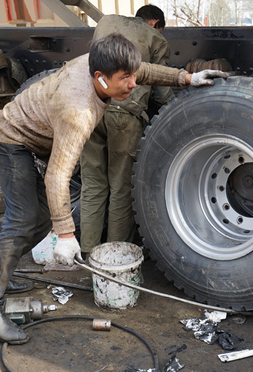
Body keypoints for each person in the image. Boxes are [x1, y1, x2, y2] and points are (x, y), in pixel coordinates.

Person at [0, 33, 229, 345]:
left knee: (38, 219)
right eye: (125, 79)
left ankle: (2, 272)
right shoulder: (78, 112)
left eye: (132, 76)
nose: (133, 84)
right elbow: (57, 177)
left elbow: (141, 70)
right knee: (24, 220)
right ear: (100, 78)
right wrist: (66, 234)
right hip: (13, 140)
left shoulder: (104, 66)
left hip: (35, 138)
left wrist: (186, 77)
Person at [79, 5, 173, 255]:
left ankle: (88, 250)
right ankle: (113, 254)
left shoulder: (106, 22)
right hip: (124, 114)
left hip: (91, 108)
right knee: (121, 187)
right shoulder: (156, 38)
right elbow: (162, 94)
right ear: (154, 23)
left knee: (93, 183)